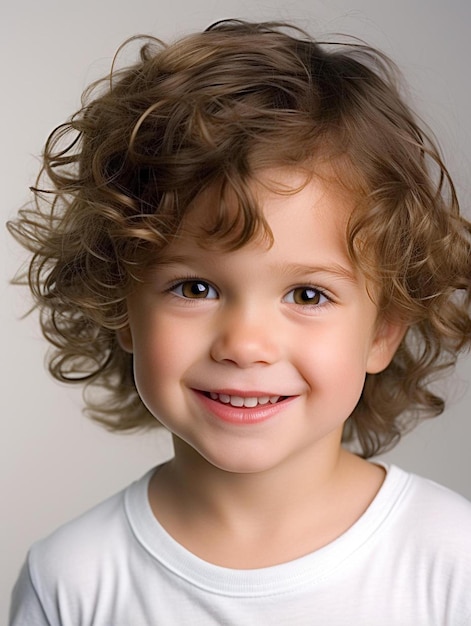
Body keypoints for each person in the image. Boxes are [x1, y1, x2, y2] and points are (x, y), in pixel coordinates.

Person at [8, 19, 471, 626]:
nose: (246, 345)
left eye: (307, 294)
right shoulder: (72, 581)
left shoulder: (452, 562)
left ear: (383, 330)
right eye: (195, 288)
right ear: (122, 303)